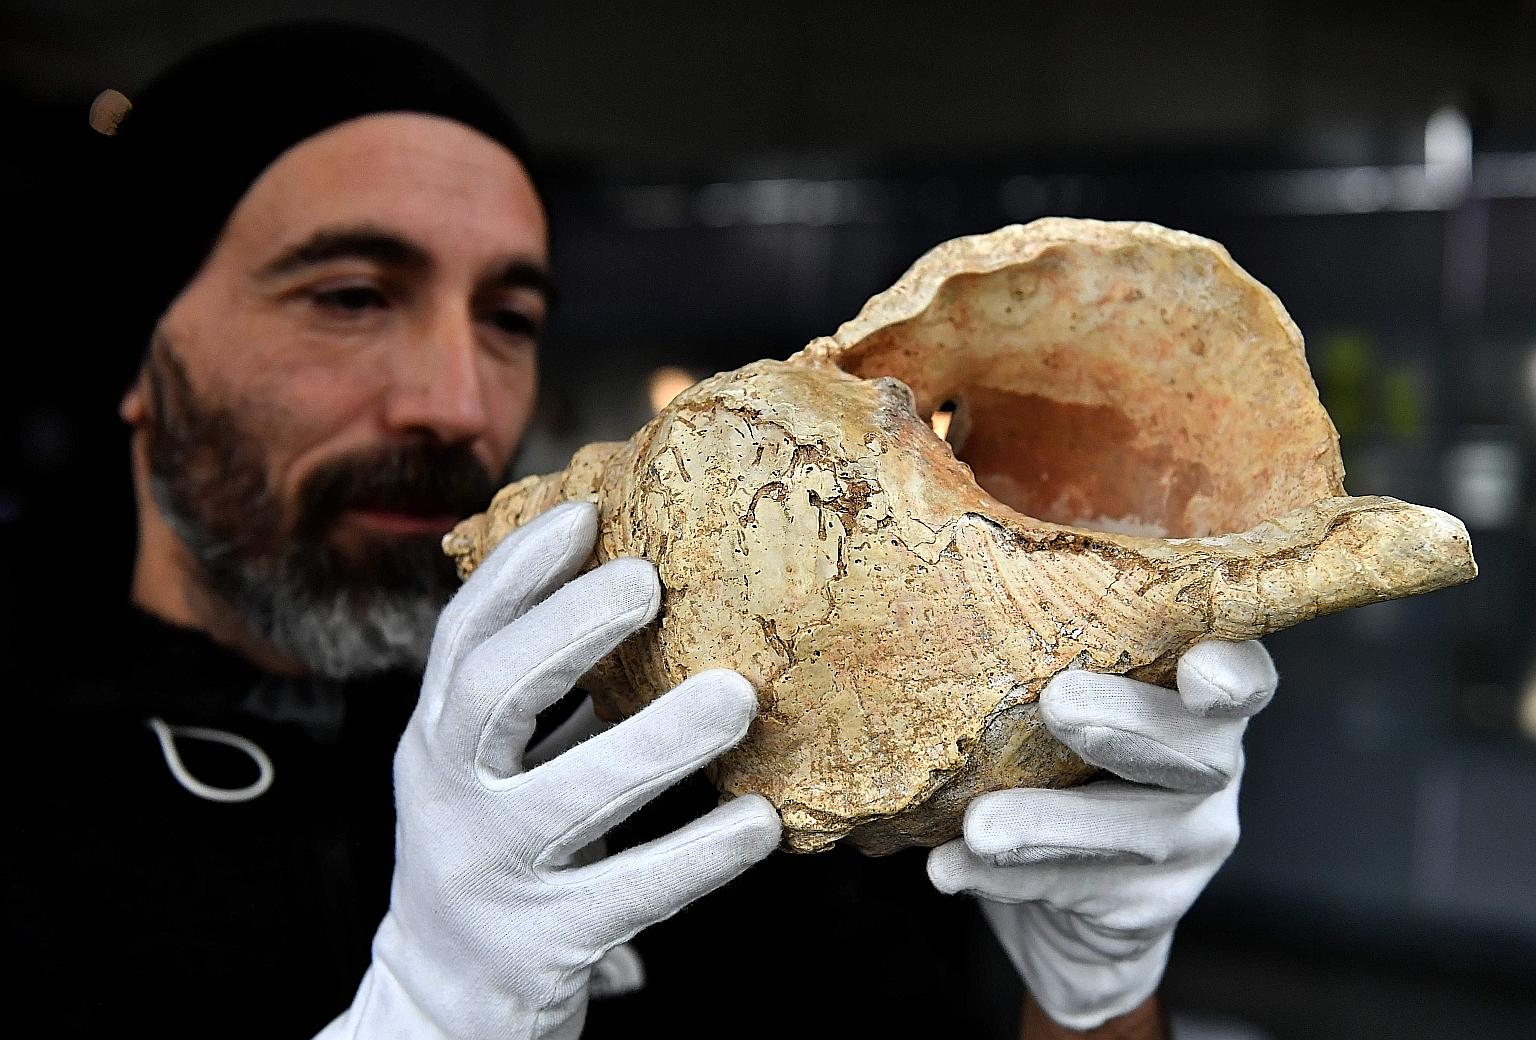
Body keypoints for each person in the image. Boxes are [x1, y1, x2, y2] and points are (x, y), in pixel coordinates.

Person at [3, 21, 1277, 1040]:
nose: (456, 402)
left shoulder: (706, 761)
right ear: (142, 347)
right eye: (350, 296)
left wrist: (1095, 984)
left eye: (507, 315)